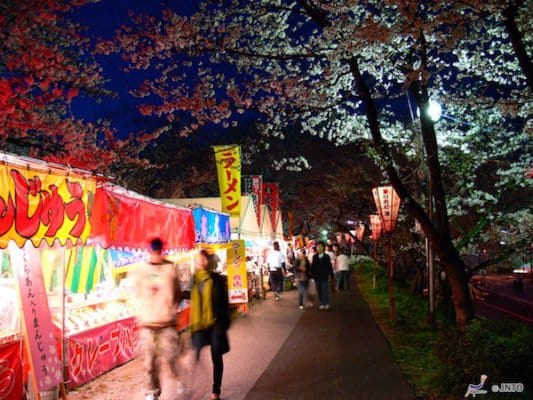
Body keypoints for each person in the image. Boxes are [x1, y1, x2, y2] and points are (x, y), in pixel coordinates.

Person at [129, 238, 182, 400]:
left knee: (171, 357)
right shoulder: (139, 270)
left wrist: (170, 308)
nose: (156, 255)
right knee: (149, 362)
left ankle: (178, 379)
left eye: (158, 252)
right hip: (147, 323)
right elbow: (134, 292)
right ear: (150, 252)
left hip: (167, 323)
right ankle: (153, 391)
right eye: (154, 252)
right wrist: (142, 309)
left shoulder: (170, 268)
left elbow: (178, 293)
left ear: (161, 251)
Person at [189, 249, 231, 400]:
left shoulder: (217, 279)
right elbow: (188, 295)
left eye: (204, 259)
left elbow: (224, 302)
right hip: (200, 324)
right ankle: (193, 387)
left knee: (216, 356)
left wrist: (225, 324)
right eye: (199, 259)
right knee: (196, 354)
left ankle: (216, 390)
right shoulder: (193, 279)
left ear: (209, 261)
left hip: (215, 323)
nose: (201, 262)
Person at [310, 241, 334, 310]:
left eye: (321, 246)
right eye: (318, 246)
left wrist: (331, 275)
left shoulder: (326, 256)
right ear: (316, 248)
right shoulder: (314, 257)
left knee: (325, 289)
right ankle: (322, 302)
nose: (319, 248)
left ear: (323, 247)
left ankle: (326, 303)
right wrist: (312, 275)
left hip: (324, 276)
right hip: (317, 277)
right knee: (319, 290)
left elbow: (329, 266)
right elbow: (313, 267)